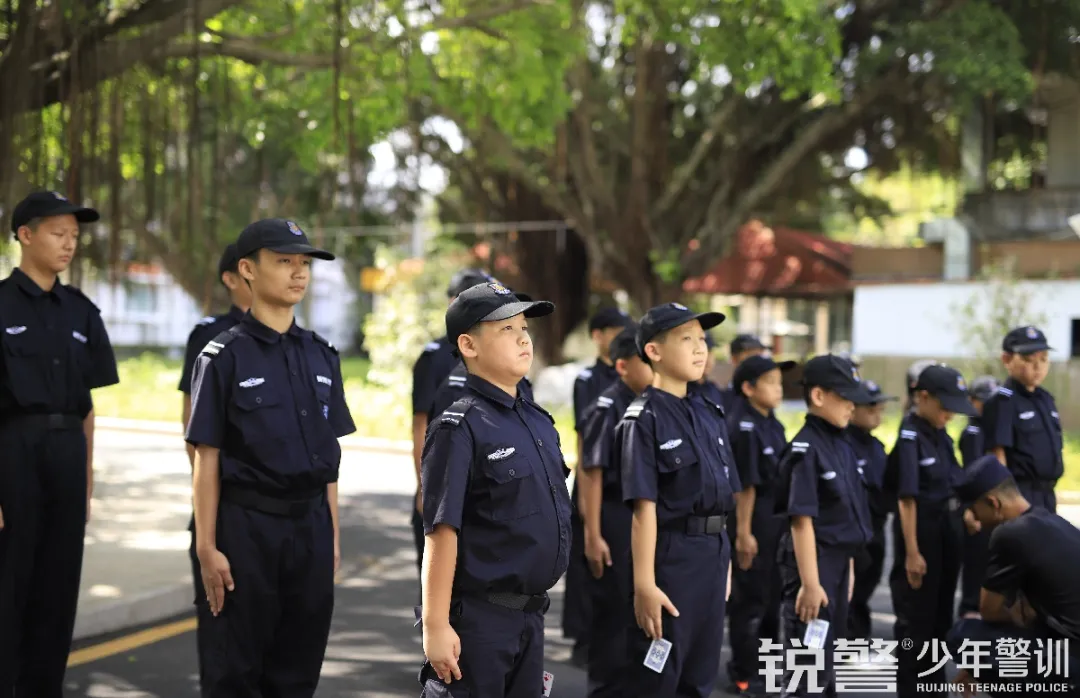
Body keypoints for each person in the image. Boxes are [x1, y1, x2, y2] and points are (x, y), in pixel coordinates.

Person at [185, 218, 357, 696]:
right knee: (236, 673)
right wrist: (206, 546)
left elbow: (330, 458)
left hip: (310, 530)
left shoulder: (322, 355)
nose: (298, 273)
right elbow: (207, 458)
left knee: (298, 670)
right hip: (247, 530)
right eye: (284, 262)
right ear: (248, 270)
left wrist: (333, 537)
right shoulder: (222, 357)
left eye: (303, 263)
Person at [417, 281, 572, 698]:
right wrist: (435, 624)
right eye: (506, 328)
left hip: (531, 616)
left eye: (524, 326)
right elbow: (441, 530)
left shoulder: (537, 422)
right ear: (468, 344)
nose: (523, 336)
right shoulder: (459, 426)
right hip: (481, 622)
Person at [0, 191, 119, 698]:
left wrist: (87, 481)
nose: (69, 243)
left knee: (58, 588)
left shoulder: (81, 311)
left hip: (68, 454)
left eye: (74, 235)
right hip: (14, 452)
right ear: (25, 235)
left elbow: (87, 408)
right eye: (57, 233)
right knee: (10, 585)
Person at [618, 302, 739, 697]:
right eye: (686, 339)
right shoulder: (644, 419)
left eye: (702, 340)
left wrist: (727, 561)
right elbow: (643, 509)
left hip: (713, 555)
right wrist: (644, 584)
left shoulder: (709, 412)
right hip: (673, 559)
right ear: (653, 351)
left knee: (700, 677)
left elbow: (724, 499)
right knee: (660, 677)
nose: (700, 349)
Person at [773, 354, 873, 698]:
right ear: (819, 396)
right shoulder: (806, 448)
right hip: (811, 565)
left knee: (827, 661)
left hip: (836, 565)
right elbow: (802, 522)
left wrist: (848, 568)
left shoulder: (841, 444)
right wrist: (810, 584)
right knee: (806, 669)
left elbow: (843, 519)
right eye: (845, 398)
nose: (852, 407)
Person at [178, 242, 251, 688]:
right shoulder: (210, 336)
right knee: (223, 638)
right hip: (224, 501)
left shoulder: (301, 345)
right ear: (232, 277)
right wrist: (210, 490)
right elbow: (193, 425)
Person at [947, 455, 1080, 697]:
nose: (975, 521)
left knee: (964, 634)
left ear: (993, 503)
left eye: (975, 511)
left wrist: (1019, 618)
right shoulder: (1050, 520)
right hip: (1069, 649)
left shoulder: (1010, 533)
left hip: (1071, 664)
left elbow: (989, 610)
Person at [886, 364, 974, 697]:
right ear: (923, 397)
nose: (950, 414)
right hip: (920, 534)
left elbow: (955, 484)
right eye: (945, 406)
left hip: (946, 532)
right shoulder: (910, 435)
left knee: (940, 620)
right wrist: (911, 552)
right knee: (915, 624)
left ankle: (933, 689)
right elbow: (907, 499)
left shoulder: (941, 435)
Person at [578, 324, 653, 698]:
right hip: (612, 517)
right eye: (645, 361)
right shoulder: (606, 407)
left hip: (641, 519)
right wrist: (592, 534)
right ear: (622, 366)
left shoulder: (653, 404)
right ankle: (604, 689)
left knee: (637, 613)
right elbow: (590, 473)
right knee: (612, 615)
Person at [409, 268, 493, 575]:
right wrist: (423, 485)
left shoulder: (499, 352)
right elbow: (422, 424)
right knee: (438, 581)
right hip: (443, 484)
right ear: (453, 301)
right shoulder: (435, 357)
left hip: (487, 490)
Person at [724, 355, 795, 696]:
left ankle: (765, 671)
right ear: (749, 388)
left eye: (780, 383)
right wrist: (743, 533)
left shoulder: (772, 422)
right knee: (749, 602)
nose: (778, 389)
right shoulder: (744, 426)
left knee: (771, 603)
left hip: (774, 522)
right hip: (753, 522)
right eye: (771, 382)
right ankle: (745, 673)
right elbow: (745, 487)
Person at [566, 307, 633, 664]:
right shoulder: (588, 380)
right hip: (593, 474)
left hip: (623, 481)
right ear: (598, 335)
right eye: (615, 330)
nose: (622, 336)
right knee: (587, 561)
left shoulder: (637, 373)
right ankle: (582, 636)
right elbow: (583, 435)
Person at [981, 326, 1063, 512]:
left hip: (1047, 494)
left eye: (1043, 359)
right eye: (1028, 359)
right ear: (1006, 360)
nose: (1038, 367)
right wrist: (1008, 501)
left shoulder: (1045, 399)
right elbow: (997, 456)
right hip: (1021, 495)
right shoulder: (1002, 401)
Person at [845, 379, 896, 641]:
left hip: (876, 526)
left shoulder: (877, 446)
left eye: (880, 408)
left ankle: (858, 634)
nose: (878, 413)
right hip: (854, 528)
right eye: (871, 408)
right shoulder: (844, 445)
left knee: (869, 582)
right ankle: (849, 637)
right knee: (849, 588)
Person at [957, 375, 1000, 619]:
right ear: (972, 402)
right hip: (979, 509)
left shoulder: (990, 429)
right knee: (975, 569)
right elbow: (974, 475)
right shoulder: (974, 432)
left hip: (992, 509)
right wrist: (972, 509)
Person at [718, 334, 770, 412]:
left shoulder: (765, 396)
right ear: (734, 358)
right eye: (751, 354)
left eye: (760, 354)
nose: (757, 361)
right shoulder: (720, 398)